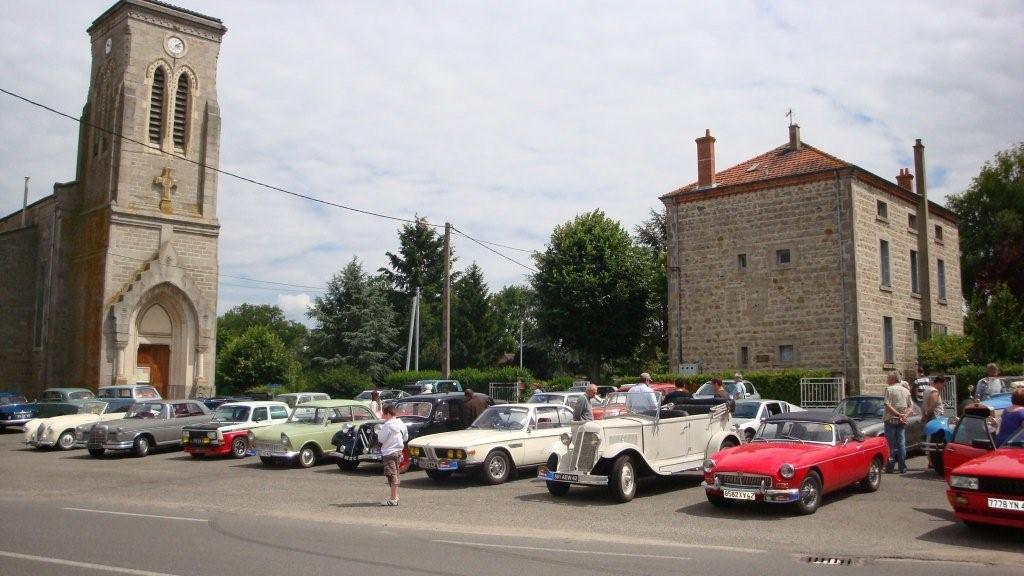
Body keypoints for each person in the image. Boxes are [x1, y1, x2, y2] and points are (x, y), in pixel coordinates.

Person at [377, 404, 408, 506]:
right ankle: (395, 496)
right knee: (396, 472)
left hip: (389, 452)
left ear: (388, 414)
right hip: (399, 451)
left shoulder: (387, 425)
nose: (383, 416)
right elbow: (405, 438)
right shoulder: (401, 423)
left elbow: (381, 439)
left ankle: (393, 499)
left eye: (384, 414)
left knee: (391, 475)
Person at [883, 372, 913, 474]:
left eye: (888, 378)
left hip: (890, 419)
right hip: (902, 421)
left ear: (893, 379)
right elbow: (911, 406)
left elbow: (887, 404)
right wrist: (904, 415)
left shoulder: (889, 389)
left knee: (890, 445)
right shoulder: (906, 390)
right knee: (901, 444)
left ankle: (890, 467)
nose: (887, 380)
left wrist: (898, 414)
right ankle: (902, 467)